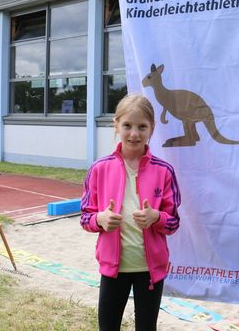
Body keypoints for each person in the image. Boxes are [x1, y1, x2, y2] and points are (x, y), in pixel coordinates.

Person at [80, 94, 181, 331]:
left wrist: (156, 217)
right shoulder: (99, 169)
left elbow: (174, 222)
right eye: (127, 125)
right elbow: (85, 218)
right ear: (116, 124)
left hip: (150, 271)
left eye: (142, 127)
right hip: (113, 269)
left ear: (152, 129)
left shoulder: (164, 171)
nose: (134, 134)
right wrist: (100, 219)